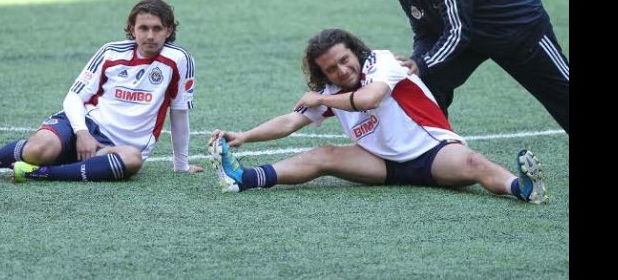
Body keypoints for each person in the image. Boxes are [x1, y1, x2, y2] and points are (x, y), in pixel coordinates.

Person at [209, 29, 548, 204]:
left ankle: (522, 188)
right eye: (331, 69)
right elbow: (290, 121)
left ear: (355, 51)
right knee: (323, 155)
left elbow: (370, 98)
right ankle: (243, 178)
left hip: (433, 153)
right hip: (382, 163)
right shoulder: (332, 91)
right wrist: (244, 136)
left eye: (345, 60)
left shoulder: (382, 62)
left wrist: (320, 98)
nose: (342, 70)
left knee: (474, 163)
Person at [0, 0, 203, 182]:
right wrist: (82, 132)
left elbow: (179, 113)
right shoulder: (111, 52)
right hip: (84, 125)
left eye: (157, 29)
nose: (150, 35)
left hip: (118, 147)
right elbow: (74, 97)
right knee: (39, 150)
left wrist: (181, 165)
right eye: (143, 28)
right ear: (132, 29)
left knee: (132, 160)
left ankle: (40, 173)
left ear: (168, 30)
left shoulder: (179, 60)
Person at [359, 0, 569, 134]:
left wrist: (422, 64)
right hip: (473, 38)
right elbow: (425, 32)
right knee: (426, 84)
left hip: (518, 30)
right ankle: (437, 149)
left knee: (561, 93)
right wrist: (416, 64)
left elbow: (457, 31)